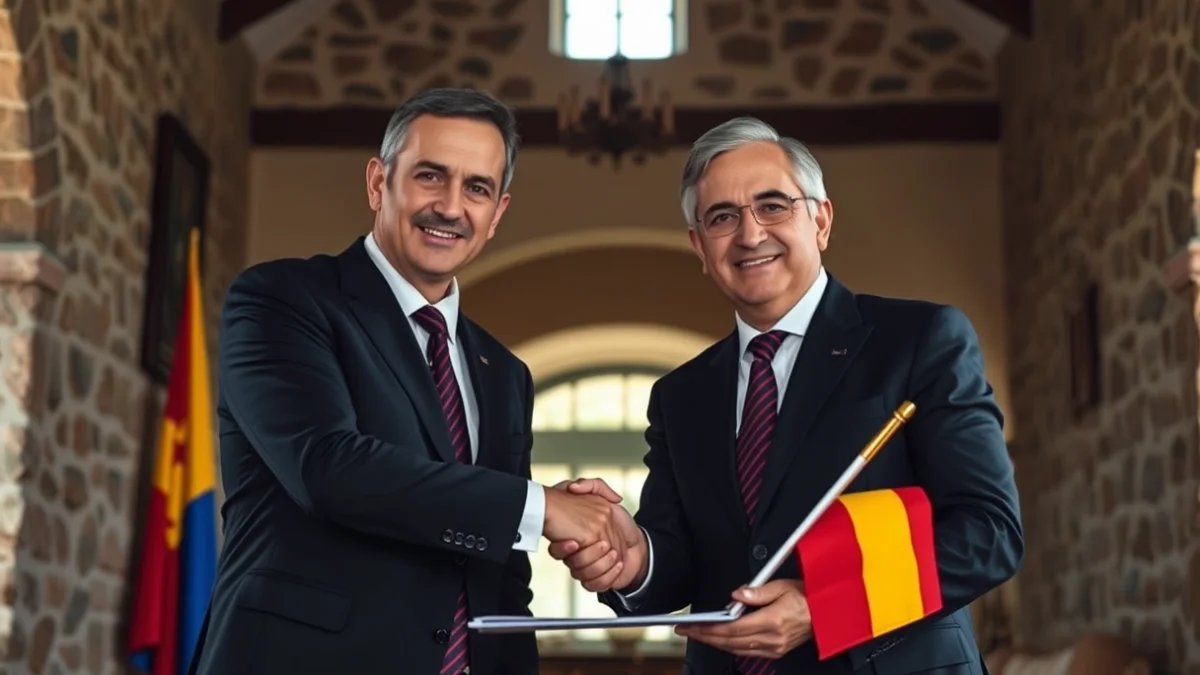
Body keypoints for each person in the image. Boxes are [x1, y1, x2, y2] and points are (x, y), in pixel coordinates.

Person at [550, 117, 1023, 674]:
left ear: (820, 220)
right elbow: (680, 566)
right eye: (723, 217)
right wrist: (635, 560)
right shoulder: (681, 395)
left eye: (774, 206)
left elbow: (989, 531)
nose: (751, 234)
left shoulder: (920, 341)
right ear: (700, 246)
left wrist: (826, 607)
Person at [188, 88, 628, 675]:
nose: (450, 206)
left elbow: (500, 579)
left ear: (497, 214)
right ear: (378, 182)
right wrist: (539, 507)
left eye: (477, 188)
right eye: (430, 176)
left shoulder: (505, 375)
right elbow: (328, 467)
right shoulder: (282, 300)